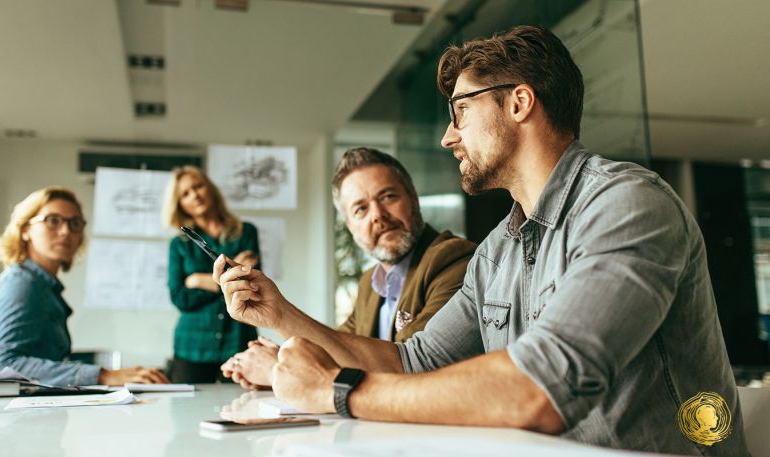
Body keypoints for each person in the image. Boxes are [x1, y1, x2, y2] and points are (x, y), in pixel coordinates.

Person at [214, 25, 749, 455]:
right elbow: (412, 361)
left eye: (462, 110)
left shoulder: (628, 204)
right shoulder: (496, 250)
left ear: (519, 103)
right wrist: (278, 314)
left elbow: (540, 387)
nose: (449, 135)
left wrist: (337, 391)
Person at [220, 148, 476, 388]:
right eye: (360, 209)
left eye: (388, 197)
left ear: (413, 197)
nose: (377, 215)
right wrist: (283, 357)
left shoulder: (454, 260)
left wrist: (278, 367)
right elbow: (338, 350)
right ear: (350, 226)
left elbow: (411, 368)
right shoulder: (370, 283)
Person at [0, 186, 168, 386]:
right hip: (0, 415)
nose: (66, 231)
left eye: (75, 224)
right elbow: (4, 366)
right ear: (25, 230)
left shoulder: (42, 287)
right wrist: (103, 375)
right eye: (53, 221)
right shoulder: (21, 284)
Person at [163, 165, 260, 383]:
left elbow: (250, 286)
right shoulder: (179, 245)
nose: (194, 195)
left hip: (238, 341)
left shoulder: (246, 232)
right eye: (185, 194)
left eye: (198, 187)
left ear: (210, 189)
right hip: (192, 346)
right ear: (180, 205)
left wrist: (197, 280)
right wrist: (227, 281)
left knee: (242, 408)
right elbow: (179, 297)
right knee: (186, 413)